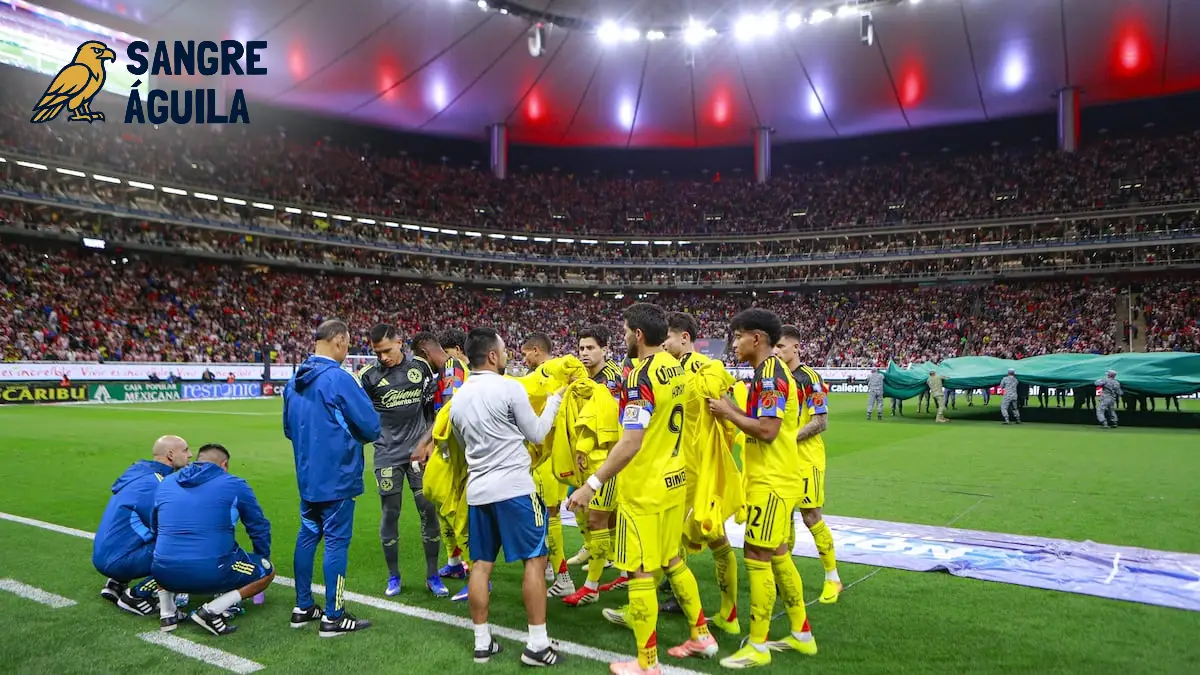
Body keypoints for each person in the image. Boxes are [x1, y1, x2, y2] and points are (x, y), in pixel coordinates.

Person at [568, 303, 718, 673]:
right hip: (674, 481)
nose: (622, 337)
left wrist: (592, 484)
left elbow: (632, 440)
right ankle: (701, 635)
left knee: (639, 571)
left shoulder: (640, 375)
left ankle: (647, 664)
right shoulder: (675, 366)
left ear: (637, 335)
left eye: (624, 331)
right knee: (672, 561)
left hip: (645, 488)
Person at [449, 327, 565, 666]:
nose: (507, 355)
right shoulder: (509, 387)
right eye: (503, 351)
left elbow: (462, 446)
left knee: (481, 566)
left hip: (478, 492)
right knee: (535, 560)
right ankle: (537, 645)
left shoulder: (458, 399)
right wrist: (555, 401)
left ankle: (482, 642)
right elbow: (537, 433)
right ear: (492, 356)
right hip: (514, 489)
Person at [708, 309, 815, 668]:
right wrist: (730, 404)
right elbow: (756, 420)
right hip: (774, 478)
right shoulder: (767, 372)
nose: (734, 343)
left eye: (738, 336)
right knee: (779, 554)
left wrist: (727, 413)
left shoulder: (770, 374)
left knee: (757, 555)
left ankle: (758, 644)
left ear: (756, 338)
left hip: (772, 481)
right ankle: (802, 635)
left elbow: (767, 431)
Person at [284, 319, 382, 637]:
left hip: (307, 475)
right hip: (337, 475)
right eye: (348, 343)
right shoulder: (339, 378)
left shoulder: (293, 380)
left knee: (308, 534)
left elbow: (288, 429)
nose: (347, 349)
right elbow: (371, 426)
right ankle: (334, 616)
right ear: (338, 340)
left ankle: (302, 606)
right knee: (336, 542)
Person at [652, 311, 738, 630]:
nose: (663, 344)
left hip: (696, 468)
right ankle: (679, 596)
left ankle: (728, 614)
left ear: (684, 338)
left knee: (713, 535)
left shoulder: (705, 368)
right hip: (679, 465)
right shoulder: (671, 368)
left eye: (668, 338)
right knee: (670, 533)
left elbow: (727, 412)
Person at [357, 324, 446, 598]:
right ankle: (393, 576)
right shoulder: (368, 377)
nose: (382, 357)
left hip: (419, 453)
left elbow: (433, 410)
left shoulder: (420, 367)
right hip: (386, 454)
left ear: (399, 342)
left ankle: (433, 575)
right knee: (390, 513)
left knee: (427, 511)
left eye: (386, 350)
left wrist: (429, 442)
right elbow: (359, 415)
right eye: (377, 353)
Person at [151, 444, 274, 636]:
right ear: (224, 465)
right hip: (210, 572)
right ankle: (211, 611)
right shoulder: (234, 484)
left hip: (162, 573)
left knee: (164, 552)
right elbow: (258, 527)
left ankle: (167, 613)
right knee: (267, 571)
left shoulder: (167, 482)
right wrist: (262, 556)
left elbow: (155, 526)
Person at [93, 435, 191, 624]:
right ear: (171, 455)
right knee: (185, 546)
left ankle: (116, 583)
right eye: (185, 450)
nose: (190, 454)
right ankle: (136, 597)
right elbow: (167, 527)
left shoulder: (141, 474)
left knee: (142, 532)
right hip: (118, 560)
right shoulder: (156, 484)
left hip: (107, 552)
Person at [561, 323, 627, 607]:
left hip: (609, 458)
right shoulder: (587, 376)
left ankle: (591, 587)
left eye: (591, 348)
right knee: (607, 518)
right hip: (593, 457)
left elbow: (607, 419)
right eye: (581, 348)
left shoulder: (610, 378)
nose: (585, 353)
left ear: (605, 349)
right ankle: (622, 568)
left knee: (597, 519)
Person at [775, 325, 841, 605]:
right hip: (782, 459)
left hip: (806, 458)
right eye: (774, 347)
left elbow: (820, 422)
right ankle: (785, 577)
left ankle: (832, 578)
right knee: (783, 517)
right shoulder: (776, 378)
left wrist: (786, 440)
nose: (776, 351)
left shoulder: (810, 378)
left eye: (781, 346)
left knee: (811, 516)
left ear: (796, 348)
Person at [520, 332, 573, 598]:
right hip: (558, 453)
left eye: (525, 354)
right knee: (546, 513)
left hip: (547, 455)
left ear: (536, 351)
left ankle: (564, 578)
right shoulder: (561, 372)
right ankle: (551, 567)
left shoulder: (546, 375)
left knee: (549, 515)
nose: (524, 360)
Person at [435, 327, 472, 584]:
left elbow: (450, 401)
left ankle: (468, 564)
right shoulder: (472, 370)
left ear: (457, 350)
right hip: (465, 445)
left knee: (446, 502)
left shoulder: (453, 364)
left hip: (451, 445)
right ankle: (455, 561)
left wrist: (436, 440)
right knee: (450, 504)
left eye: (445, 351)